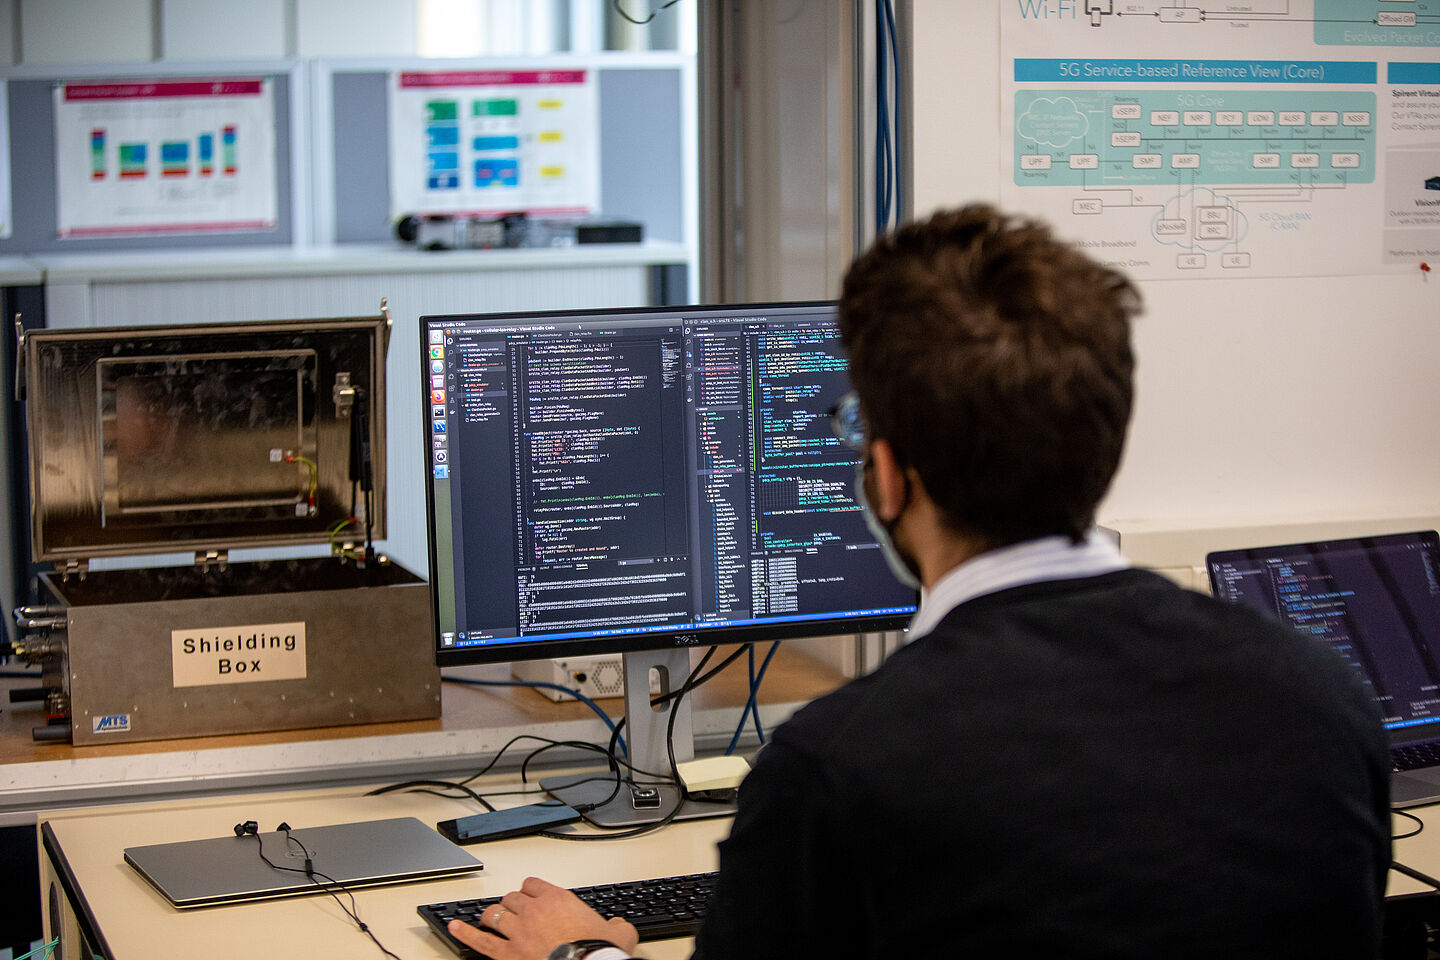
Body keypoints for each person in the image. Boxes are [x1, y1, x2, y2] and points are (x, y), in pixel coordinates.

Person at [448, 205, 1391, 960]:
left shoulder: (841, 768)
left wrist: (583, 955)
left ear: (890, 475)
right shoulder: (1323, 696)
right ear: (1102, 445)